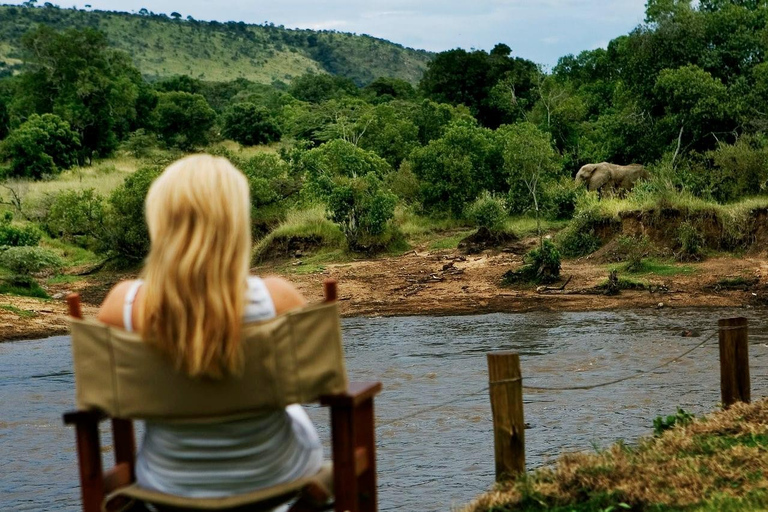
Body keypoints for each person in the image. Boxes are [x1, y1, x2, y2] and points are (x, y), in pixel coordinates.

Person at [96, 154, 323, 498]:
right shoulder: (278, 299)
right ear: (235, 223)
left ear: (160, 219)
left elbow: (100, 401)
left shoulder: (122, 305)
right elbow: (324, 387)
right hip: (277, 478)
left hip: (166, 487)